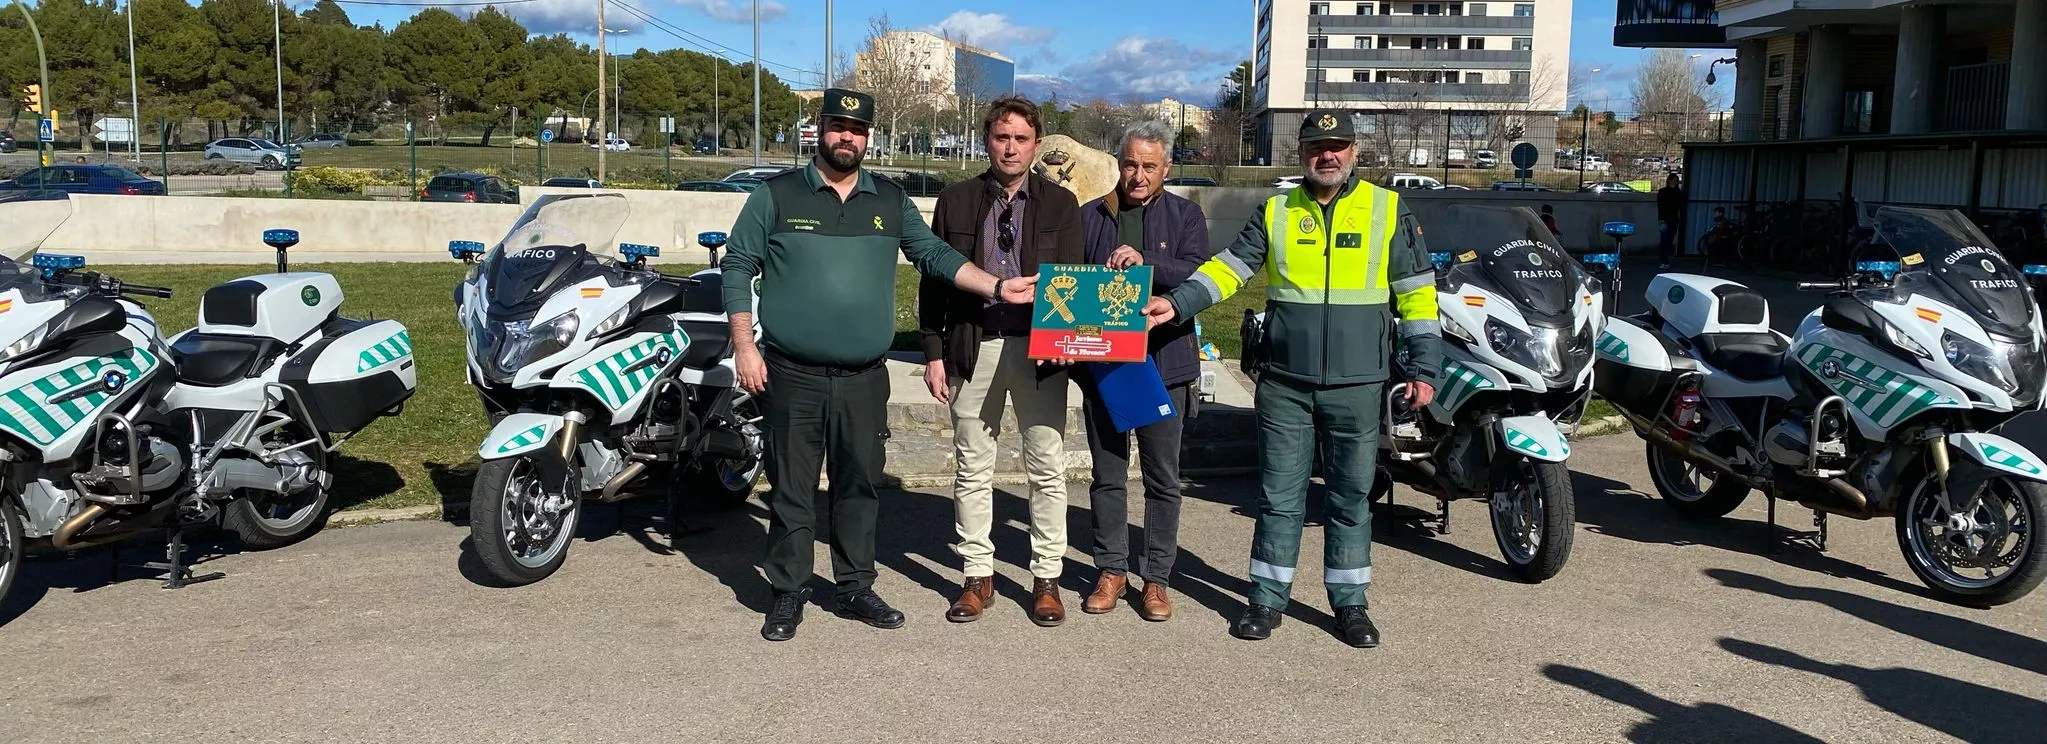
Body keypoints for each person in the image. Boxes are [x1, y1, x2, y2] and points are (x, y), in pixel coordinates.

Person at [721, 87, 1040, 642]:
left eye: (859, 129)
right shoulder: (775, 196)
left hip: (865, 376)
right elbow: (738, 266)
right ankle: (789, 590)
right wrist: (744, 346)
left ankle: (853, 587)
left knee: (859, 484)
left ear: (869, 137)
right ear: (819, 128)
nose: (848, 136)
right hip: (791, 371)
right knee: (792, 487)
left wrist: (995, 286)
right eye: (839, 126)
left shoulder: (889, 201)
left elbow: (935, 257)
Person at [1140, 109, 1442, 648]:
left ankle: (1350, 604)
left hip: (1358, 383)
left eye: (1339, 145)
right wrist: (1176, 303)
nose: (1328, 155)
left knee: (1351, 497)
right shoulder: (1277, 210)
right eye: (1316, 146)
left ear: (1354, 151)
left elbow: (1417, 293)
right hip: (1285, 383)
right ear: (1300, 153)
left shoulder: (1387, 209)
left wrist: (1423, 367)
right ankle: (1265, 599)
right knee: (1280, 495)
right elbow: (1229, 268)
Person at [918, 96, 1085, 627]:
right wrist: (933, 352)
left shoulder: (1061, 205)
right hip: (974, 344)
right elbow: (933, 281)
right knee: (972, 467)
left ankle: (1046, 578)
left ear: (1037, 145)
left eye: (1020, 138)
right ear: (986, 140)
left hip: (1042, 353)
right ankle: (977, 576)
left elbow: (1080, 284)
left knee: (1047, 468)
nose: (1010, 148)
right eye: (1000, 137)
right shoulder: (957, 200)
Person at [1075, 120, 1215, 622]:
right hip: (1106, 366)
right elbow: (1071, 285)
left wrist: (1147, 264)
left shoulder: (1187, 216)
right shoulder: (1091, 216)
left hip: (1165, 364)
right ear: (1120, 162)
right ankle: (1111, 569)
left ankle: (1156, 578)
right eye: (1130, 164)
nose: (1138, 175)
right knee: (1107, 476)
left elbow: (1201, 272)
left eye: (1149, 166)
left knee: (1163, 479)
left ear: (1167, 168)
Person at [1657, 174, 1687, 268]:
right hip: (1666, 219)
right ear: (1669, 181)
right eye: (1673, 180)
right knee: (1664, 240)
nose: (1674, 182)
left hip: (1673, 219)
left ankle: (1664, 260)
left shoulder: (1677, 193)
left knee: (1668, 241)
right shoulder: (1664, 192)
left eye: (1676, 181)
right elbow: (1660, 206)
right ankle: (1663, 260)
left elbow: (1681, 206)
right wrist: (1661, 219)